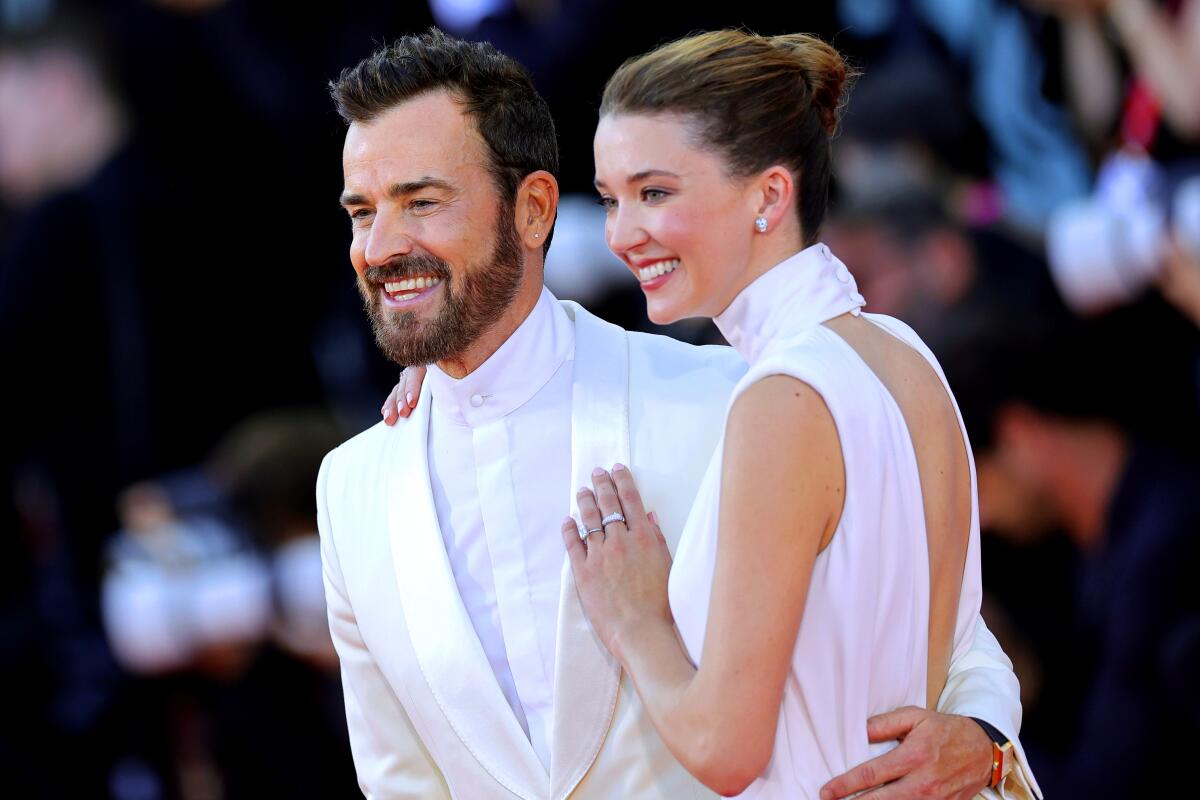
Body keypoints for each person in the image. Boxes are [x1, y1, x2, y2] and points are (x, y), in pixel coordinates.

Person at [326, 28, 1037, 799]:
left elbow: (940, 622)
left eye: (421, 202)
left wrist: (983, 738)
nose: (380, 244)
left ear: (532, 210)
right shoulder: (355, 487)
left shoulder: (733, 394)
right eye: (361, 212)